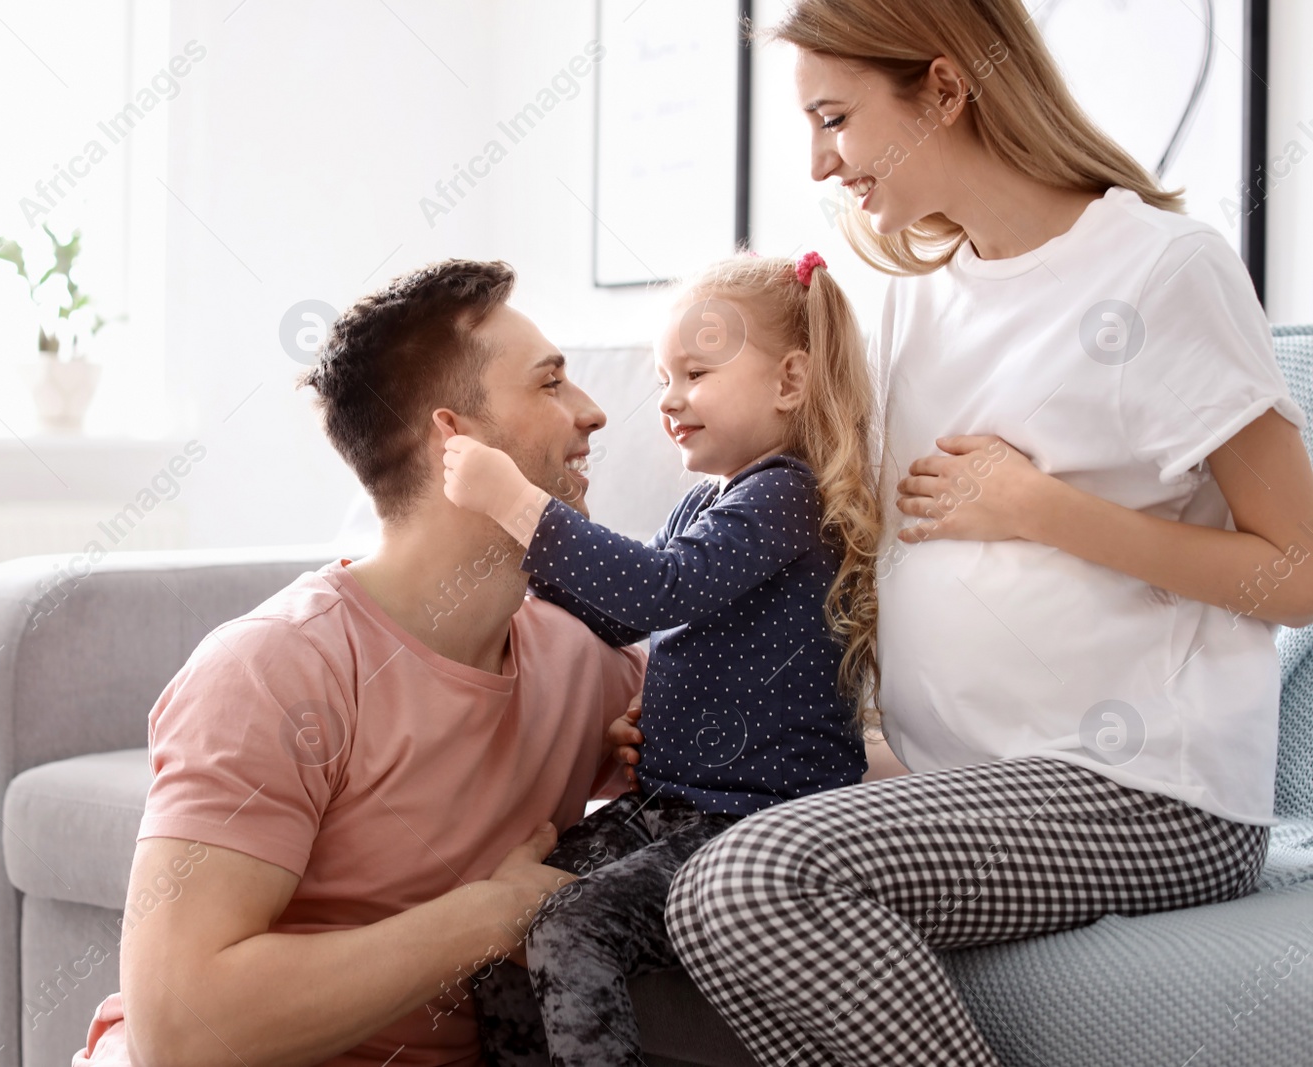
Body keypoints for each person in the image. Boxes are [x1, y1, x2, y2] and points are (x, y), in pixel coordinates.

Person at [660, 3, 1313, 1065]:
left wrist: (1042, 508)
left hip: (1146, 789)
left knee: (753, 879)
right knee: (696, 877)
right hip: (958, 777)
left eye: (835, 118)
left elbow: (1297, 572)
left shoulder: (1161, 269)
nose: (821, 163)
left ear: (946, 90)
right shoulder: (923, 295)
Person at [71, 259, 649, 1067]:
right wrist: (487, 916)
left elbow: (798, 748)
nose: (593, 412)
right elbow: (178, 1028)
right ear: (458, 439)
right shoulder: (275, 668)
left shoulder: (581, 658)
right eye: (551, 384)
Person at [440, 251, 881, 1066]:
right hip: (676, 805)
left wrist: (516, 500)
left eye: (697, 373)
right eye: (663, 376)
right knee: (497, 917)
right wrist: (514, 550)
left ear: (789, 381)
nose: (669, 400)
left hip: (749, 822)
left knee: (571, 922)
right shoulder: (706, 499)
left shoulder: (787, 496)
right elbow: (620, 615)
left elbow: (654, 591)